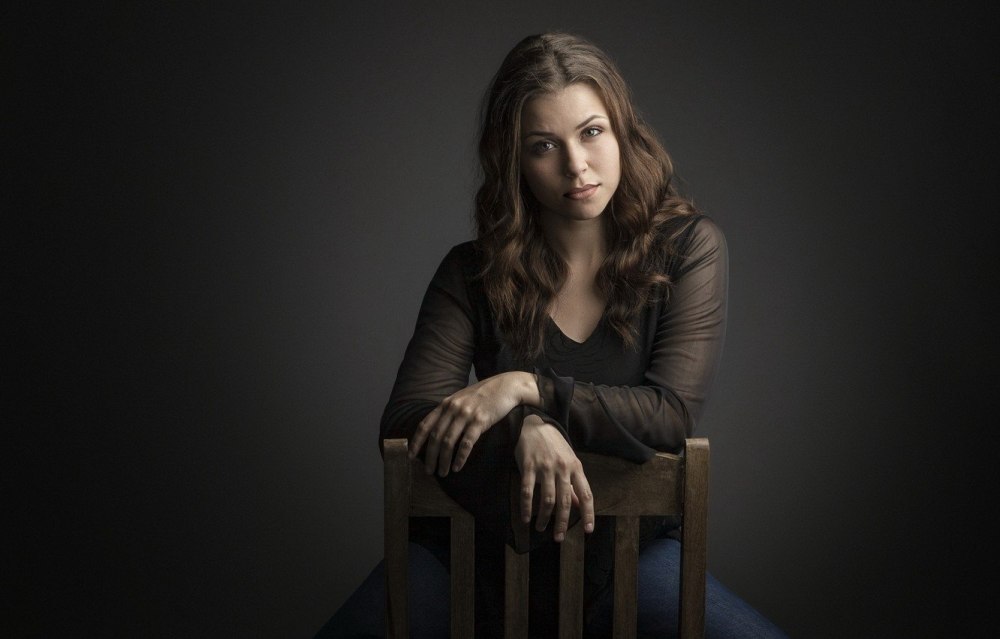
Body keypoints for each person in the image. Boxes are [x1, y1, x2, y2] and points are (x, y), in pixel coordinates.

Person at [316, 32, 787, 638]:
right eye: (544, 146)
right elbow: (407, 417)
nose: (576, 165)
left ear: (623, 132)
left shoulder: (690, 247)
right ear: (513, 160)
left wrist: (527, 388)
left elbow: (669, 415)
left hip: (628, 556)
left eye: (592, 132)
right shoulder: (470, 270)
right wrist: (525, 428)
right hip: (472, 553)